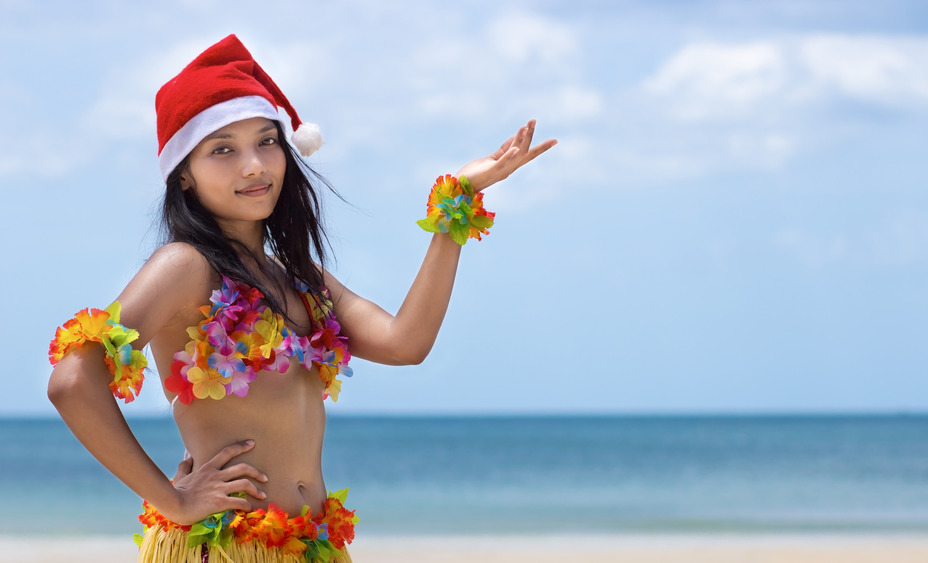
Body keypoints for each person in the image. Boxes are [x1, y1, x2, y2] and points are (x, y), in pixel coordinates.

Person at [46, 34, 556, 563]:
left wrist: (457, 203)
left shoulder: (298, 277)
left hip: (309, 548)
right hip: (229, 551)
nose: (253, 165)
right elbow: (73, 379)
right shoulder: (186, 266)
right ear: (184, 177)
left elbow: (406, 342)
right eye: (223, 149)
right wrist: (172, 501)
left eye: (266, 141)